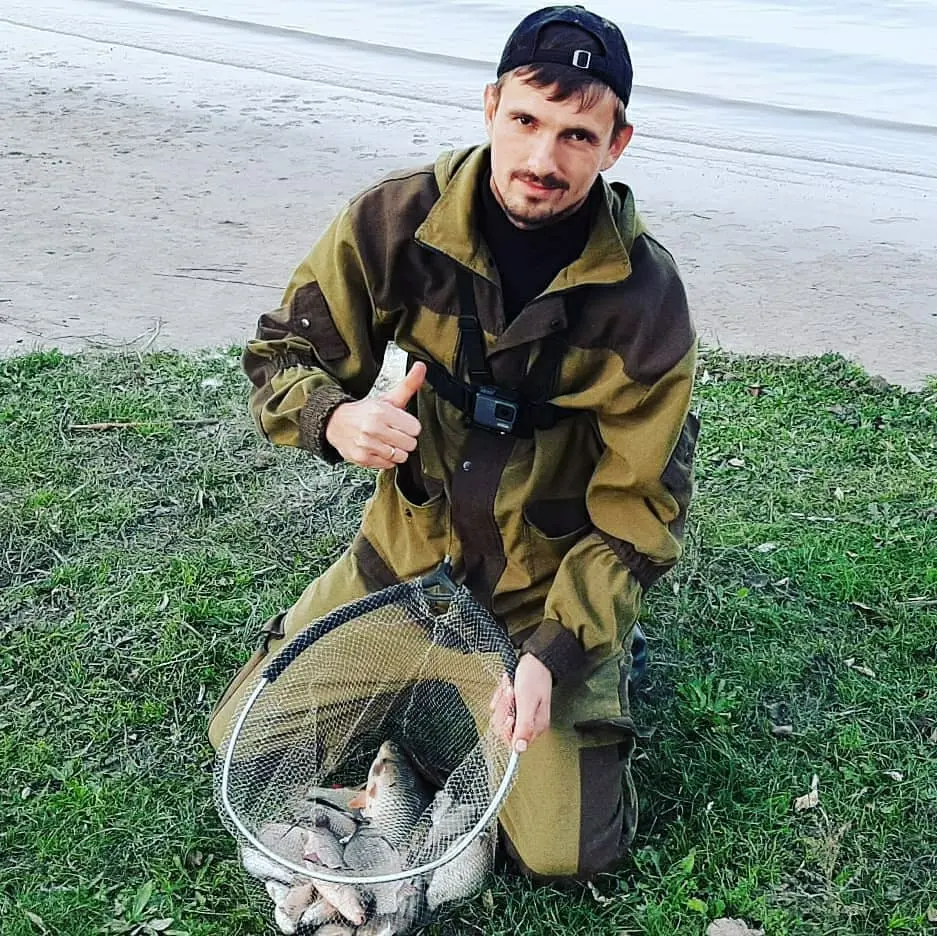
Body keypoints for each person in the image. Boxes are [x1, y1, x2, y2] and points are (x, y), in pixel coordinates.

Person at [209, 4, 699, 879]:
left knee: (564, 856)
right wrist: (334, 416)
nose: (543, 160)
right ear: (490, 107)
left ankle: (602, 673)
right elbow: (281, 356)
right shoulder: (395, 222)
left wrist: (559, 650)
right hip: (401, 562)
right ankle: (414, 673)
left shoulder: (645, 299)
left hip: (536, 596)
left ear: (616, 143)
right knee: (238, 747)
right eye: (526, 121)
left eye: (577, 136)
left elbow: (640, 513)